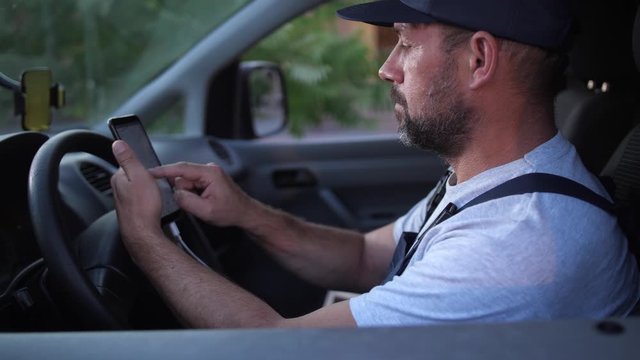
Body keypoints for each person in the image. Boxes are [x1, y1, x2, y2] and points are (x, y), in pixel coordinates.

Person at [110, 0, 640, 328]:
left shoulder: (518, 241)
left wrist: (144, 239)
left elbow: (275, 347)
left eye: (406, 43)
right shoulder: (493, 181)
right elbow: (368, 257)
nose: (386, 68)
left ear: (479, 60)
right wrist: (247, 213)